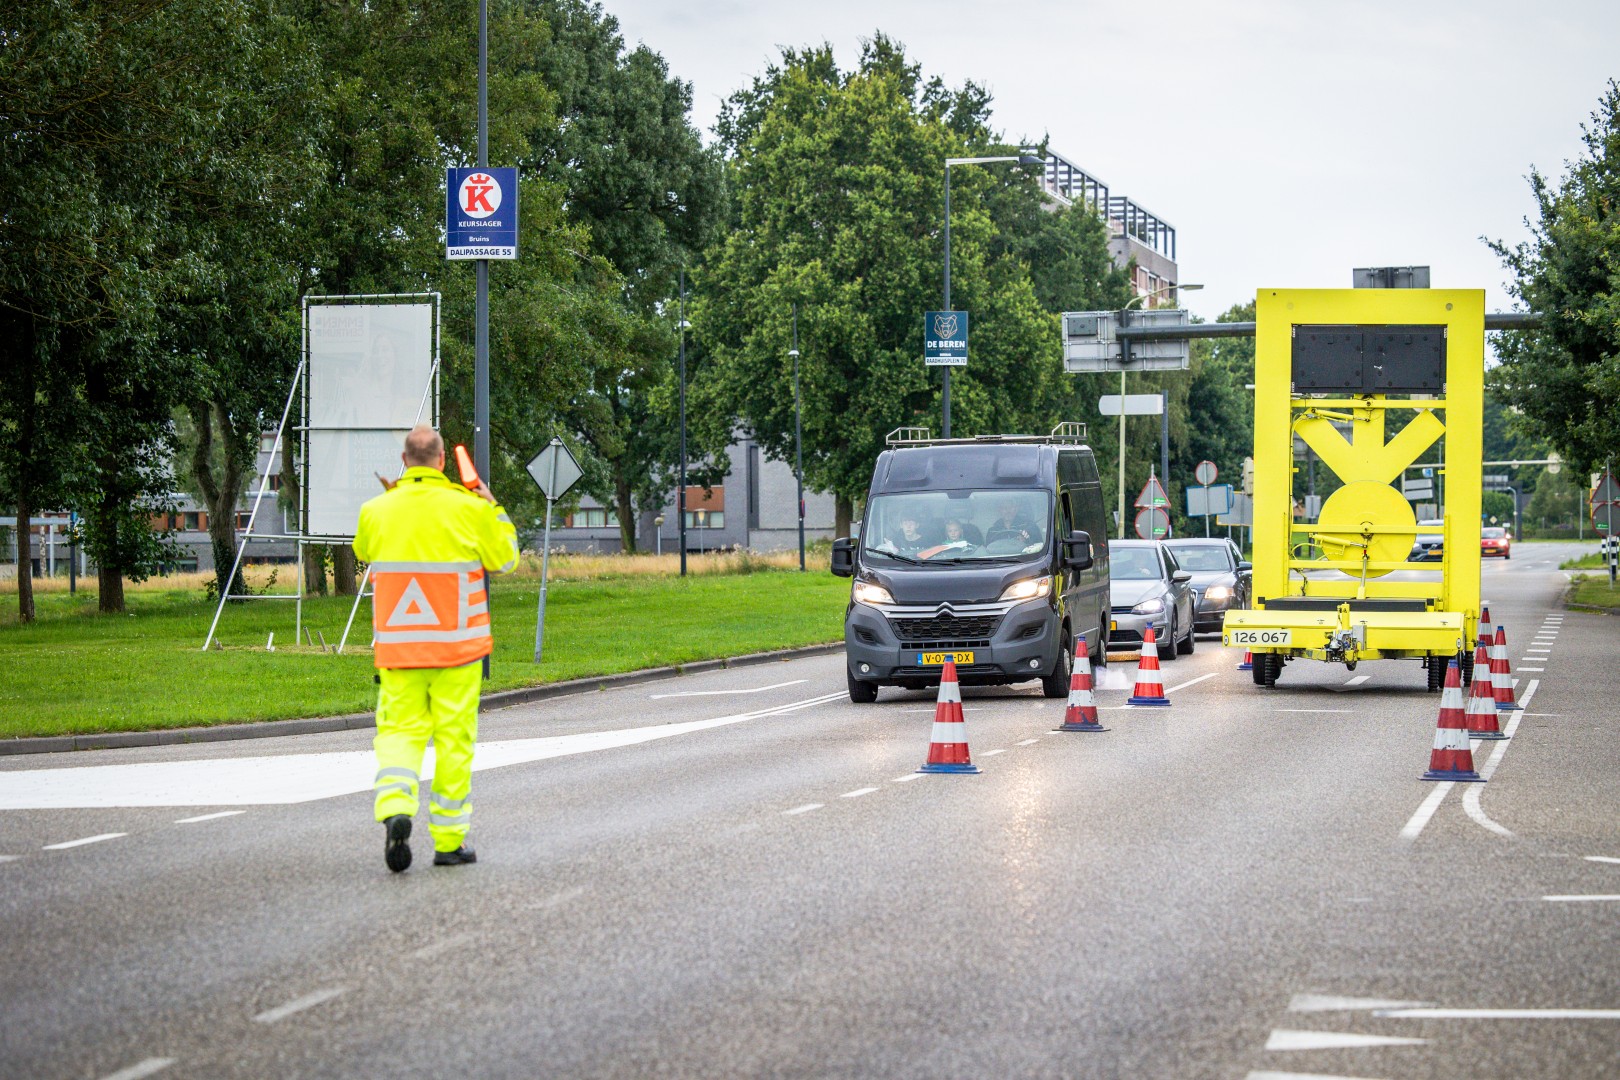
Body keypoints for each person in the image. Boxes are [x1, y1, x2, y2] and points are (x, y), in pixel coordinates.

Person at [353, 425, 519, 872]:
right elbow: (505, 559)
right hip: (457, 652)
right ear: (443, 461)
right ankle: (448, 842)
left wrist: (393, 499)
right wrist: (492, 504)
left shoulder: (376, 510)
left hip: (399, 653)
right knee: (453, 743)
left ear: (404, 461)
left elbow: (364, 549)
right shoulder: (470, 508)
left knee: (398, 734)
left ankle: (395, 807)